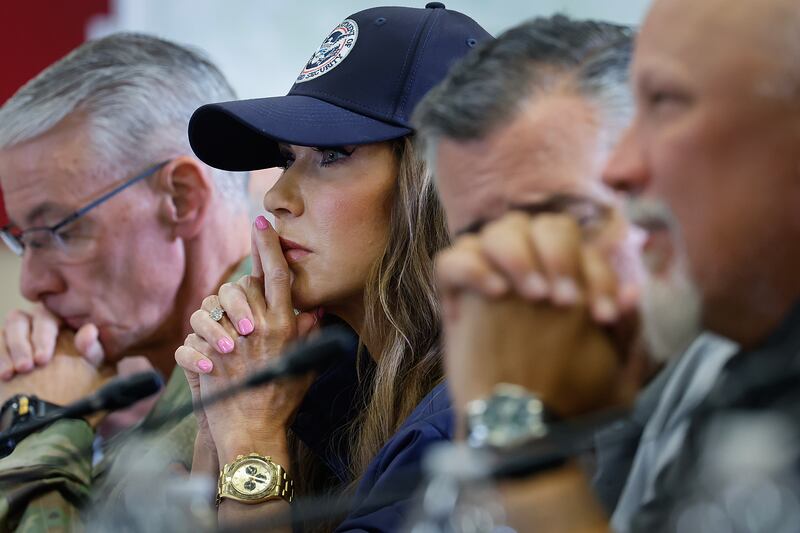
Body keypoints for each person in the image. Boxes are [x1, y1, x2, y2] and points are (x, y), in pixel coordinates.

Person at [425, 0, 800, 530]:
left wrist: (521, 444)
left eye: (565, 221)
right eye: (484, 246)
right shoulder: (541, 382)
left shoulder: (748, 371)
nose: (516, 275)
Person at [175, 4, 492, 531]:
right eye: (285, 159)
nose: (278, 195)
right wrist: (221, 415)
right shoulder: (325, 387)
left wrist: (253, 443)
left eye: (332, 155)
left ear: (438, 186)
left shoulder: (462, 428)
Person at [0, 33, 251, 530]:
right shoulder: (137, 396)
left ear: (180, 199)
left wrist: (42, 424)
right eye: (23, 238)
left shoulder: (258, 385)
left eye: (61, 230)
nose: (32, 284)